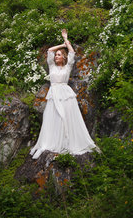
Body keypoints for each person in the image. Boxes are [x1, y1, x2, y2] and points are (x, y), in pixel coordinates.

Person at [30, 29, 97, 159]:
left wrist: (67, 41)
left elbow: (72, 52)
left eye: (59, 55)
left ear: (63, 57)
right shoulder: (52, 67)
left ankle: (67, 141)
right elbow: (49, 50)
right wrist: (61, 45)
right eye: (56, 55)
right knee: (53, 117)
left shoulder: (67, 67)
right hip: (54, 94)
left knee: (66, 117)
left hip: (65, 94)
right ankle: (53, 141)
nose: (56, 56)